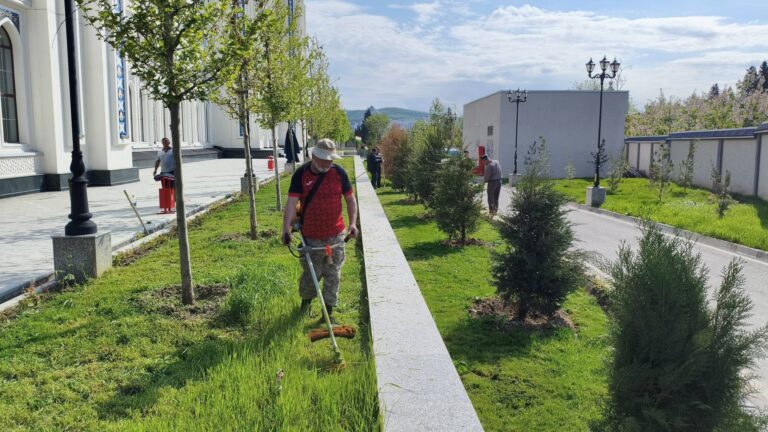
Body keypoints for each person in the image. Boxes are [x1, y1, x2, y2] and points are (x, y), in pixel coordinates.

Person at [282, 139, 359, 322]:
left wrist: (353, 224)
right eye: (324, 159)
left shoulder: (339, 173)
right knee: (311, 275)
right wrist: (286, 229)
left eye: (330, 159)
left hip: (336, 236)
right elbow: (293, 203)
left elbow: (350, 200)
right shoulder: (301, 174)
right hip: (311, 237)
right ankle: (305, 308)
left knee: (333, 275)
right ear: (313, 156)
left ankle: (328, 314)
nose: (328, 163)